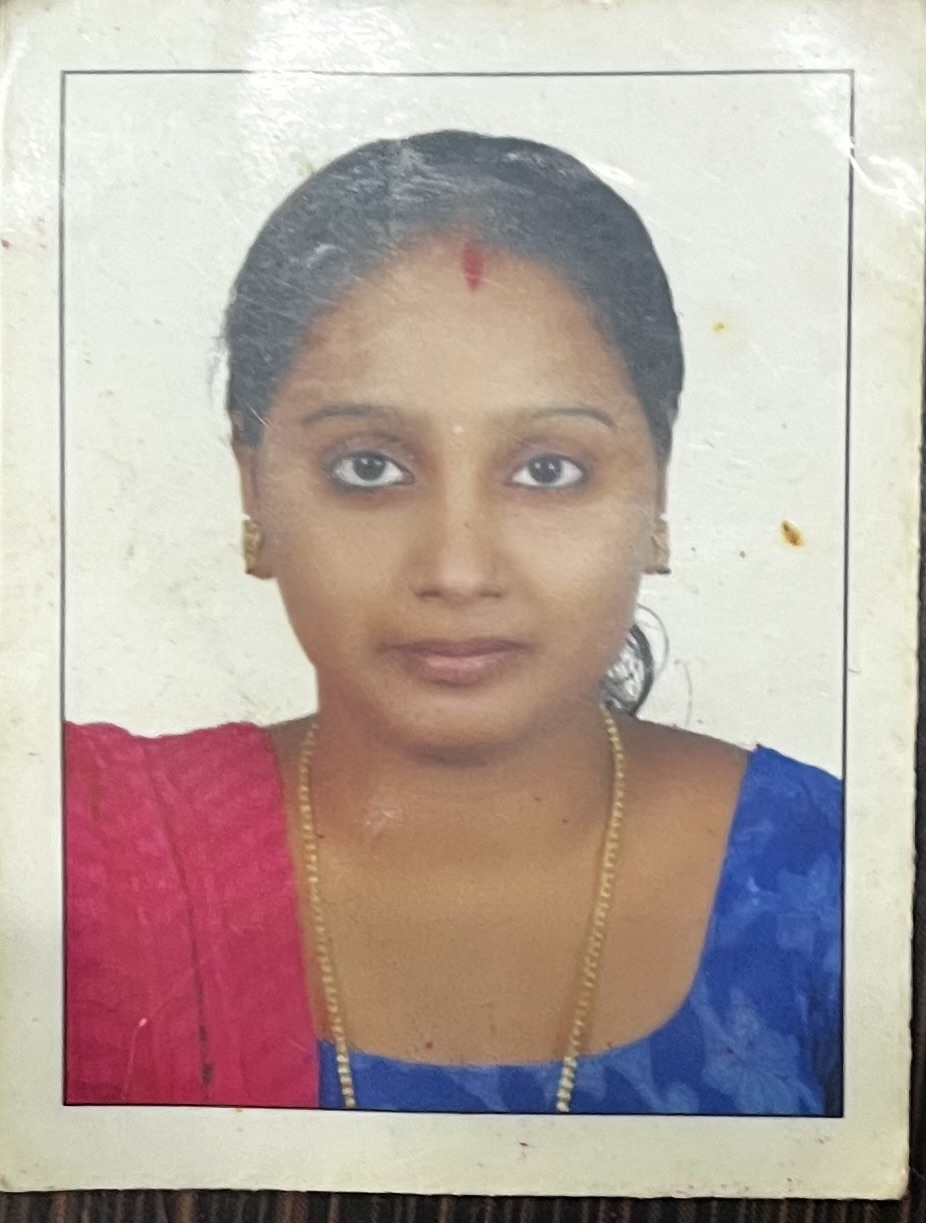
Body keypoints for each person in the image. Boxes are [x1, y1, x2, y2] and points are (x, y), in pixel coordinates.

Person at [65, 129, 842, 1115]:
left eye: (548, 469)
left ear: (657, 490)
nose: (458, 570)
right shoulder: (78, 852)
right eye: (369, 467)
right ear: (253, 483)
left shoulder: (832, 876)